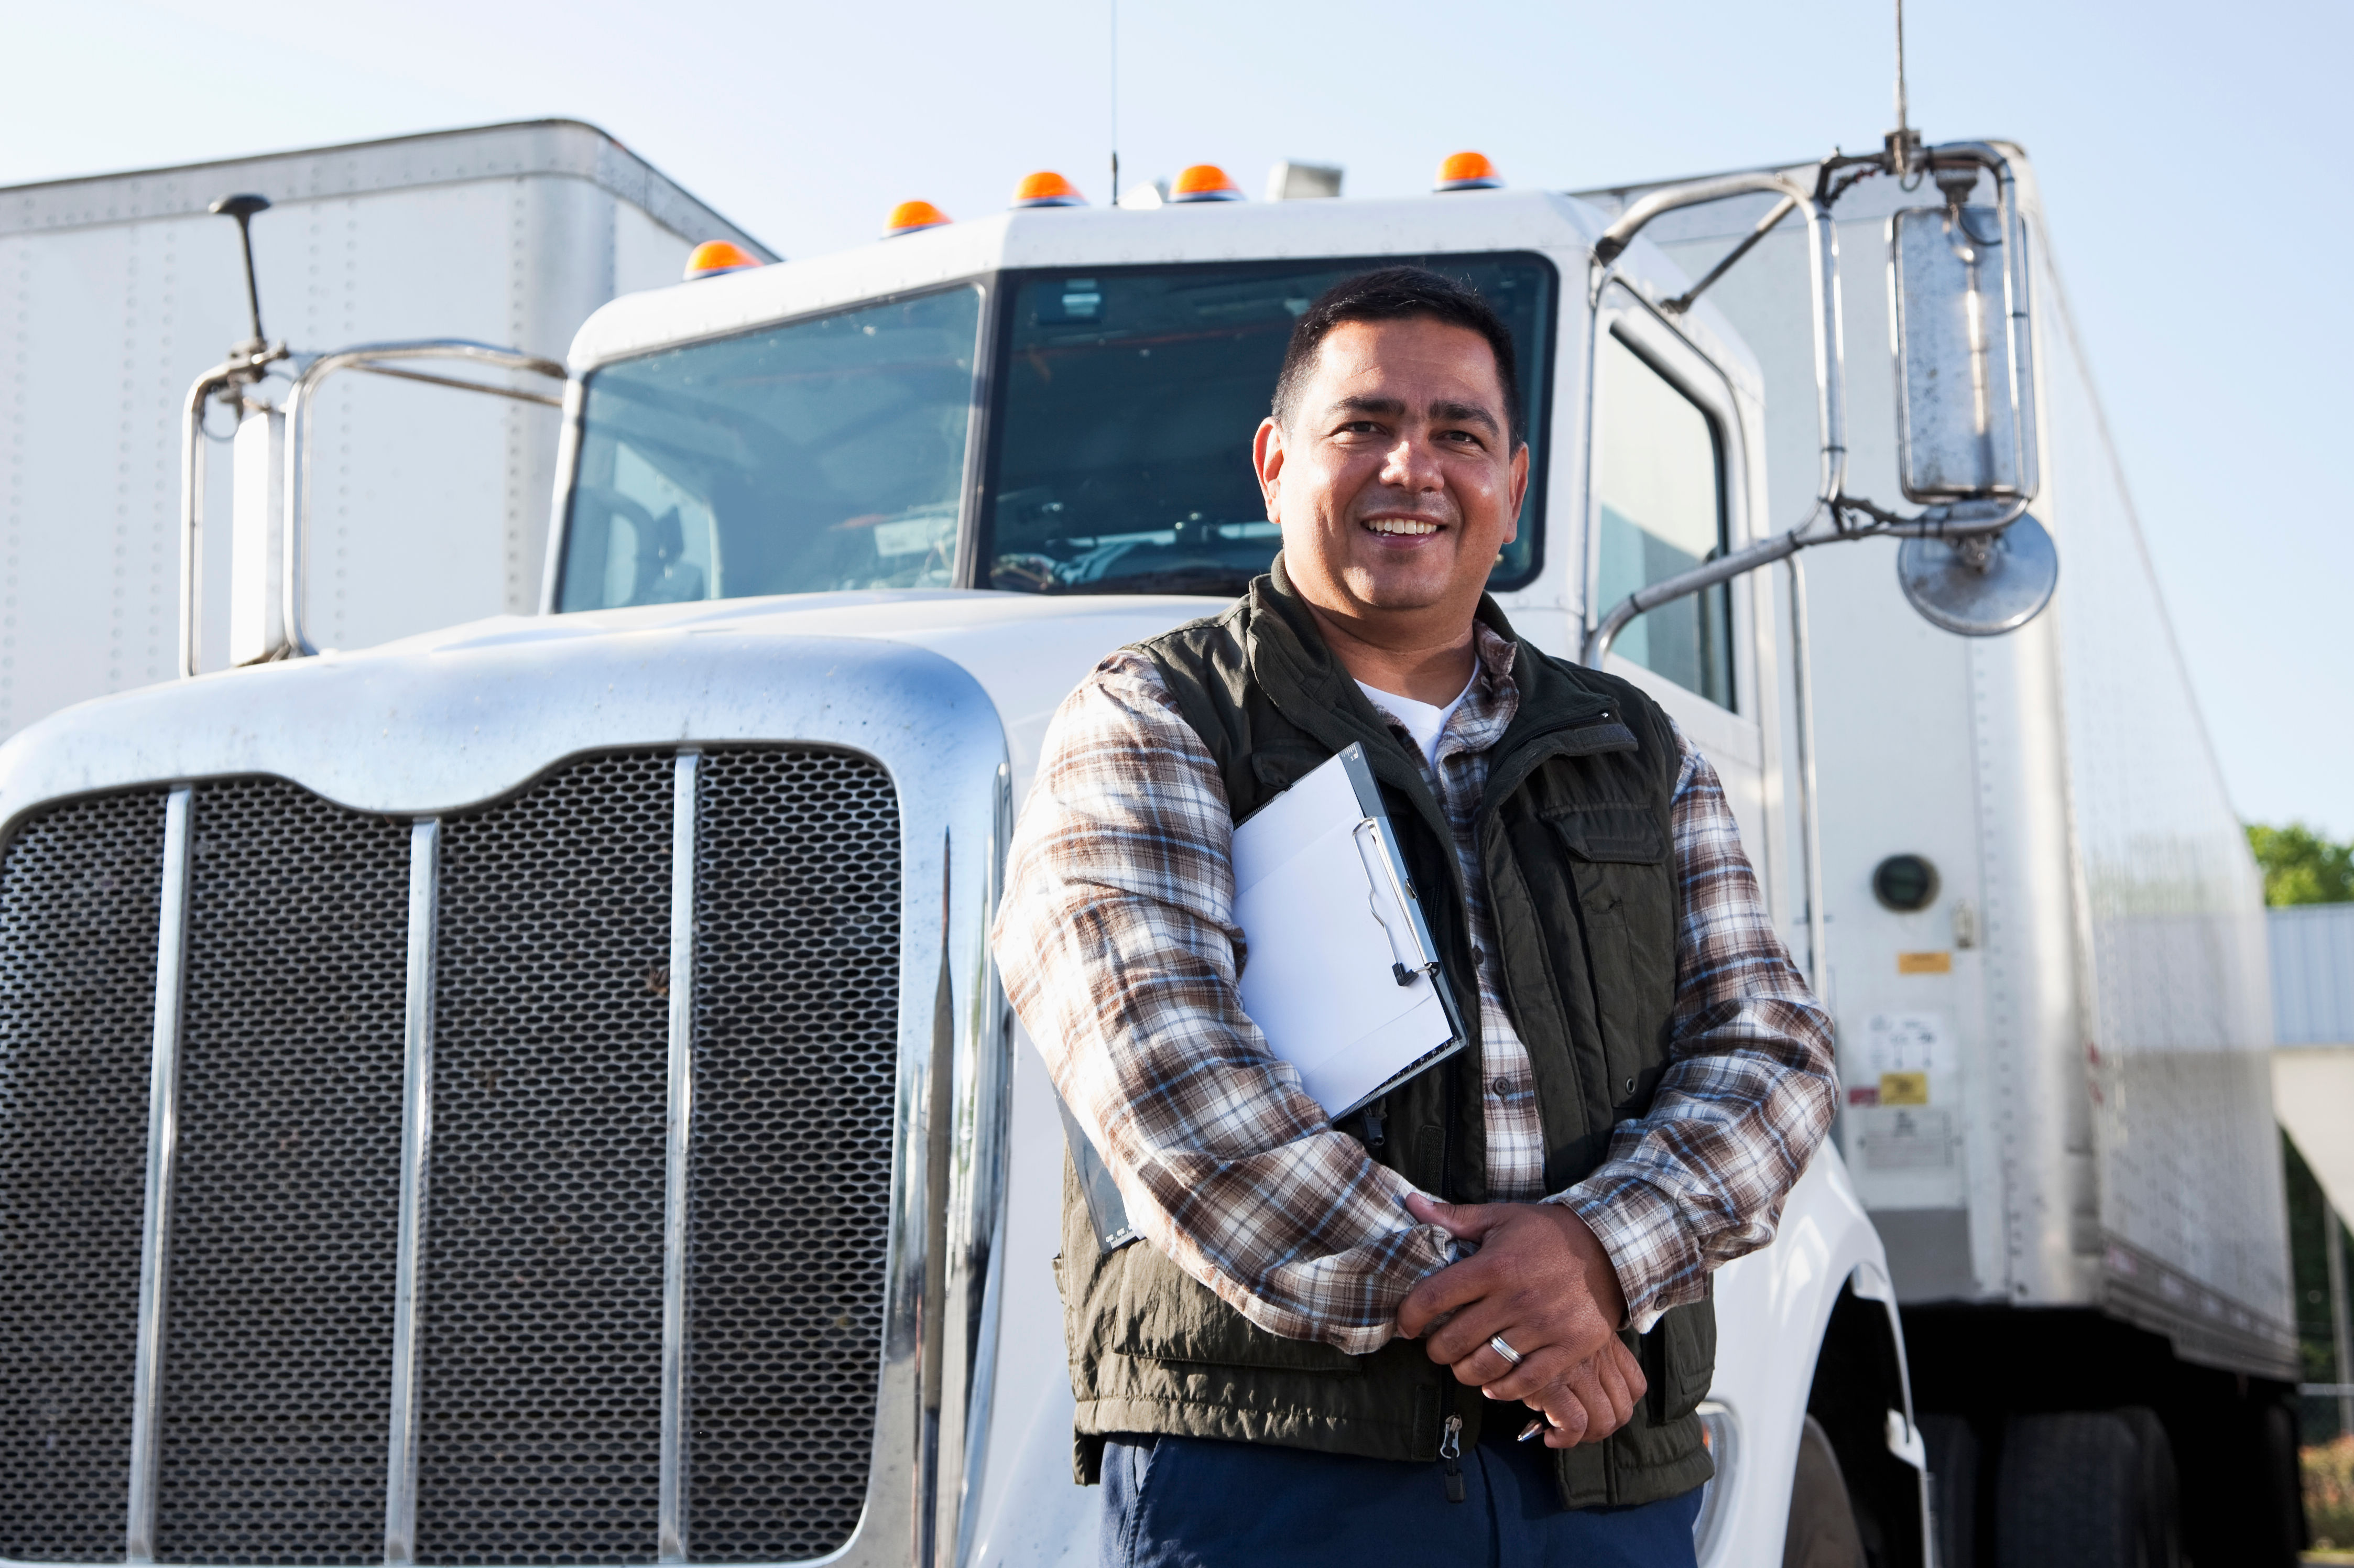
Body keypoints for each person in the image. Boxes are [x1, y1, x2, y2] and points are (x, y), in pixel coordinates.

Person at [990, 265, 1836, 1566]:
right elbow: (1161, 1068)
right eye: (1363, 426)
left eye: (1457, 433)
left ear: (1514, 481)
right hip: (1278, 1467)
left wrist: (1599, 1258)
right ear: (1275, 462)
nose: (1410, 467)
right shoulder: (1149, 719)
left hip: (1600, 1470)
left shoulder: (1635, 745)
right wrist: (1514, 1317)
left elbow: (1770, 1051)